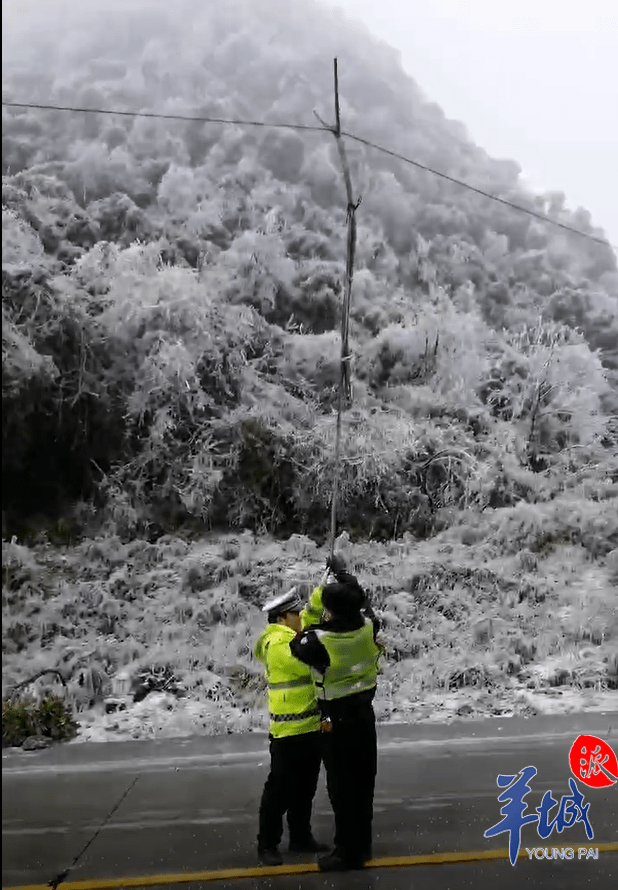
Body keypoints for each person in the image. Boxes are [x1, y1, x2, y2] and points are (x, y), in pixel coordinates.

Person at [290, 555, 382, 872]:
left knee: (342, 789)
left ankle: (347, 853)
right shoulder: (369, 627)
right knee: (363, 786)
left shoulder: (319, 642)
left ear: (330, 609)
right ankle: (363, 846)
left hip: (334, 721)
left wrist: (320, 593)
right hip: (364, 718)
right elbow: (362, 603)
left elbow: (301, 634)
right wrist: (344, 575)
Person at [254, 587, 329, 866]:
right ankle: (267, 844)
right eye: (296, 614)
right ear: (283, 617)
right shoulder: (276, 644)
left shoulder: (291, 638)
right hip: (288, 733)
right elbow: (306, 663)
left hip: (309, 726)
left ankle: (300, 837)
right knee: (280, 790)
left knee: (305, 788)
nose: (301, 618)